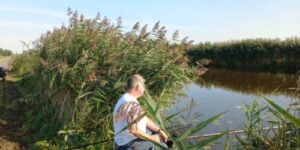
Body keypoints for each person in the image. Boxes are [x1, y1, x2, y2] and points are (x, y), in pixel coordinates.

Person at [113, 74, 169, 150]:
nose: (144, 89)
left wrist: (159, 130)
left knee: (155, 126)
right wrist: (152, 138)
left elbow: (144, 118)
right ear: (138, 87)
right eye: (143, 86)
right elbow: (134, 130)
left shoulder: (126, 98)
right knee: (164, 147)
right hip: (129, 143)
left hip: (128, 138)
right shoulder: (132, 104)